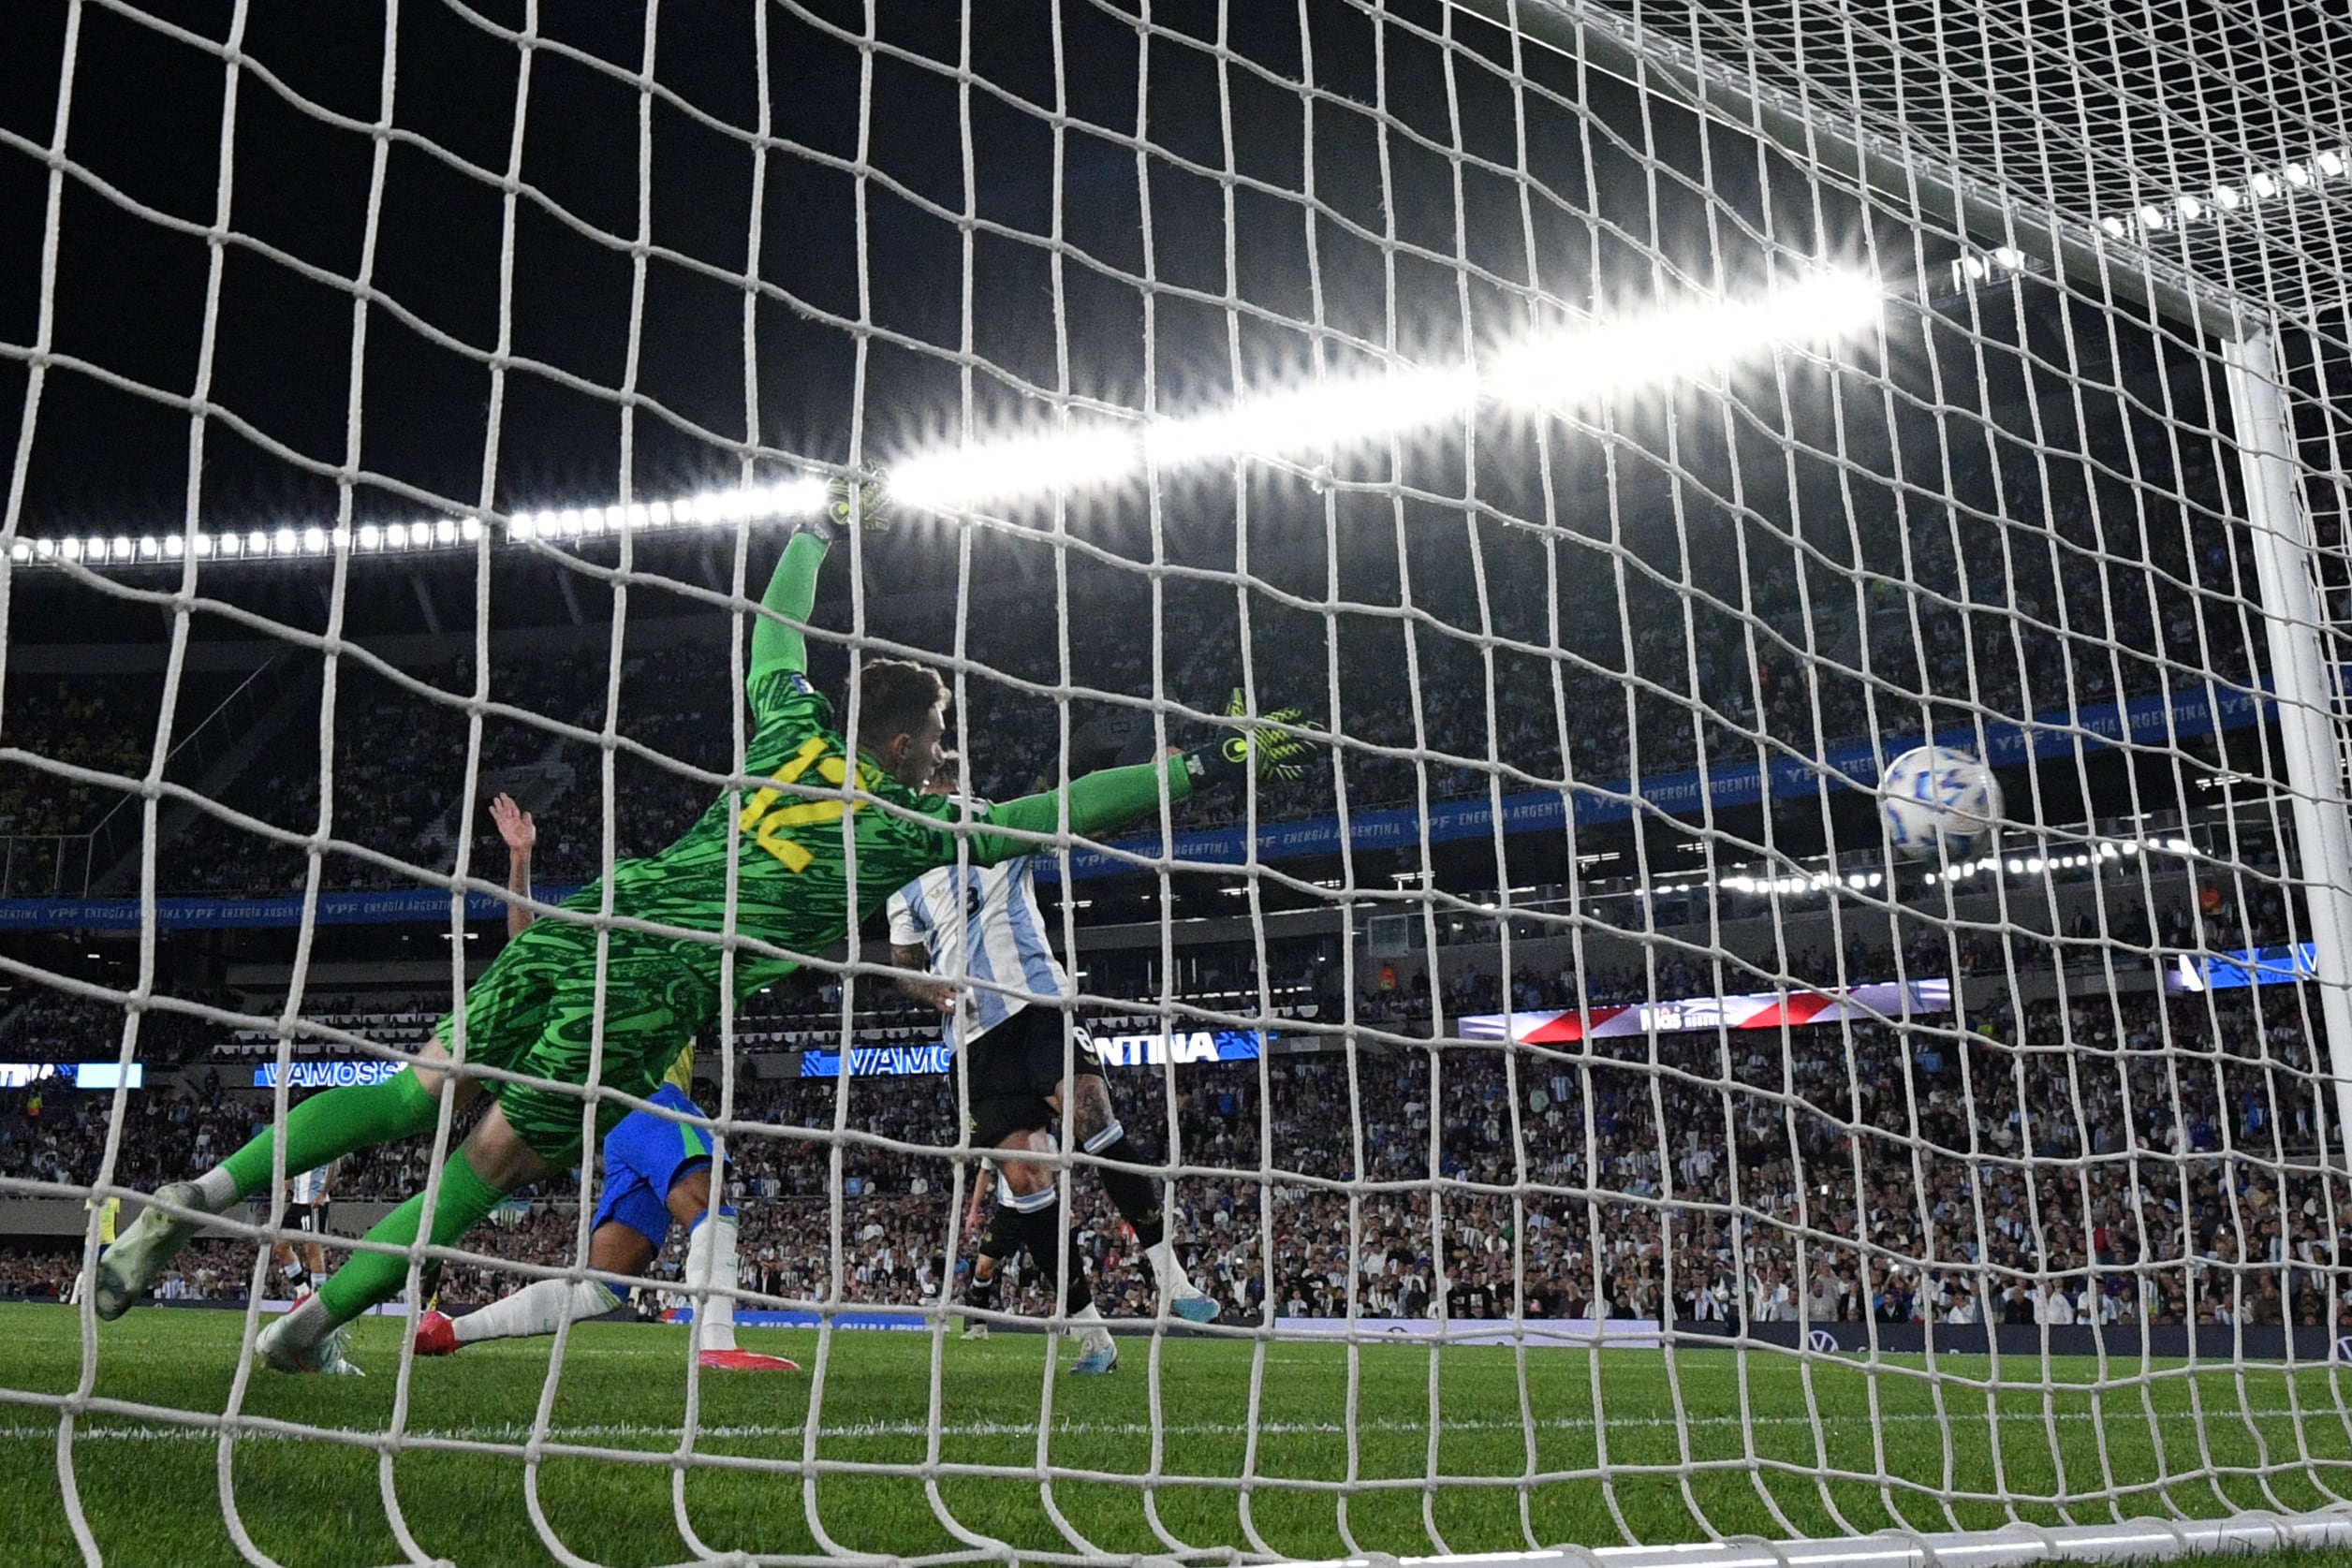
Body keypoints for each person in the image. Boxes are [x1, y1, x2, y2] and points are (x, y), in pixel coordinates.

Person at [95, 480, 1314, 1376]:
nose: (937, 756)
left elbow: (773, 631)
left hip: (595, 913)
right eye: (933, 740)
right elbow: (1057, 811)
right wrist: (1202, 760)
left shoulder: (787, 726)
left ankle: (201, 1187)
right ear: (907, 743)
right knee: (488, 1163)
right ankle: (311, 1322)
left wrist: (817, 528)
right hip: (656, 987)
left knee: (420, 1084)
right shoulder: (899, 820)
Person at [410, 794, 795, 1370]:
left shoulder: (676, 952)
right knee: (708, 1201)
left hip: (620, 1122)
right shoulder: (605, 956)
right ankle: (717, 1344)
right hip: (641, 1095)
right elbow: (526, 948)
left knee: (603, 1283)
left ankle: (449, 1332)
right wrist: (520, 861)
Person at [889, 844, 1224, 1376]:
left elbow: (1068, 817)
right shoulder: (902, 885)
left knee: (1091, 1113)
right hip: (974, 1043)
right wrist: (924, 987)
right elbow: (902, 967)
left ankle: (1173, 1279)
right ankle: (1094, 1337)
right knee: (1027, 1183)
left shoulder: (996, 831)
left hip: (1039, 1004)